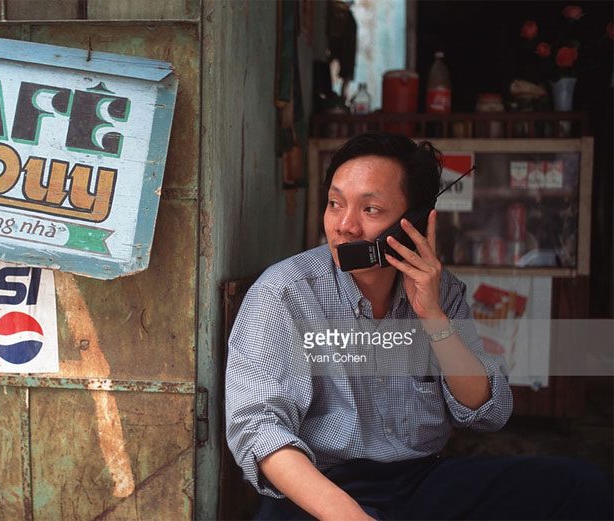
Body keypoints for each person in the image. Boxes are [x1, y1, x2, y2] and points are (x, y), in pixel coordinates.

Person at [224, 132, 612, 520]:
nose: (345, 226)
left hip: (421, 481)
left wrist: (433, 317)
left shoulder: (443, 292)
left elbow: (487, 412)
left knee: (579, 486)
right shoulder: (284, 292)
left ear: (411, 223)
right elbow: (258, 428)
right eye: (334, 204)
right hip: (320, 488)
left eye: (370, 210)